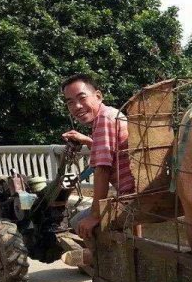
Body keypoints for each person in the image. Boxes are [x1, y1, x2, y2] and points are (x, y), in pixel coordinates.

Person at [59, 73, 137, 266]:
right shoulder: (112, 114)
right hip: (139, 190)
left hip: (130, 197)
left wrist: (96, 215)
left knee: (78, 222)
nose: (76, 106)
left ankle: (100, 258)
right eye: (70, 102)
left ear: (98, 96)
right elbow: (112, 149)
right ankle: (136, 246)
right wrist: (87, 140)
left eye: (82, 98)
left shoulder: (103, 120)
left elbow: (102, 168)